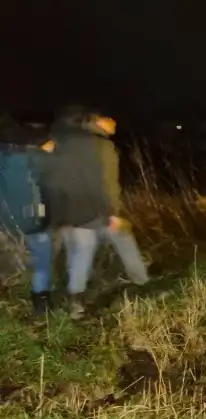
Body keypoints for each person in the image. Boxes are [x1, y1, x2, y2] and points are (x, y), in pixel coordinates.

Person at [39, 106, 149, 319]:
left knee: (77, 251)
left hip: (62, 210)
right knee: (94, 246)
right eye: (107, 118)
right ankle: (139, 284)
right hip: (90, 209)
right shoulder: (98, 145)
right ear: (94, 121)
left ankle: (74, 297)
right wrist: (112, 213)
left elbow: (44, 177)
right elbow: (104, 183)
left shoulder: (53, 142)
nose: (113, 123)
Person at [0, 115, 56, 316]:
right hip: (35, 221)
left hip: (5, 221)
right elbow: (50, 188)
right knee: (42, 259)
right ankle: (41, 302)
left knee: (5, 258)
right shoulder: (38, 157)